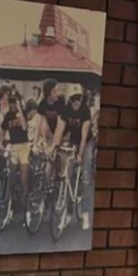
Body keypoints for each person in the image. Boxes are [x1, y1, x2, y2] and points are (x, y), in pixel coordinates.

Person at [52, 82, 95, 224]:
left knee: (86, 175)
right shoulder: (66, 110)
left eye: (79, 98)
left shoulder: (85, 110)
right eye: (74, 98)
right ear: (69, 99)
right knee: (67, 174)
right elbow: (59, 129)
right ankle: (68, 211)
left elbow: (84, 136)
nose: (77, 101)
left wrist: (80, 155)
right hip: (72, 141)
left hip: (86, 143)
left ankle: (86, 213)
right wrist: (55, 147)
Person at [0, 92, 30, 218]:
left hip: (24, 146)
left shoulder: (23, 113)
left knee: (24, 178)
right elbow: (3, 129)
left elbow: (24, 127)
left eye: (14, 102)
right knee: (11, 176)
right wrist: (0, 142)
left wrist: (20, 110)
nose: (12, 105)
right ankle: (11, 206)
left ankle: (26, 207)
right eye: (11, 102)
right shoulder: (8, 116)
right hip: (13, 146)